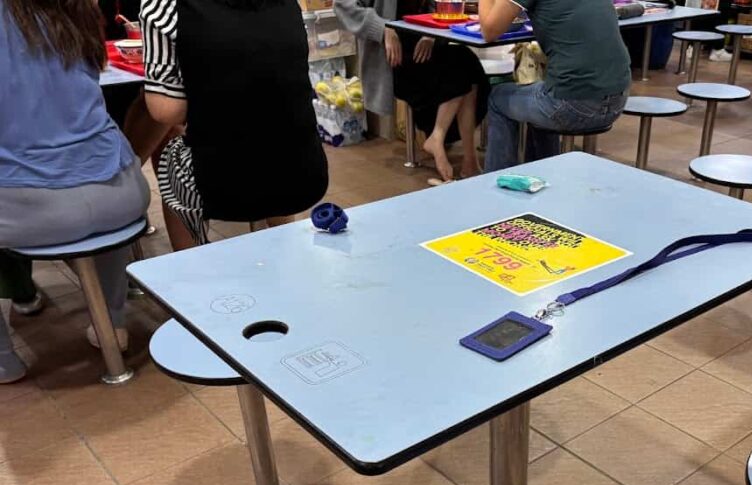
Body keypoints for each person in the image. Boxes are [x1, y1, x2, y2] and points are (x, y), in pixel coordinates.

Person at [0, 0, 150, 383]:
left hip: (31, 208)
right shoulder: (74, 9)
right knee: (99, 171)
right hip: (124, 194)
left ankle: (3, 359)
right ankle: (113, 323)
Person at [140, 0, 328, 250]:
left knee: (172, 160)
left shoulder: (163, 6)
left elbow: (165, 110)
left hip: (224, 186)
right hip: (302, 175)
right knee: (273, 128)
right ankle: (283, 244)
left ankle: (188, 263)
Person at [334, 0, 489, 182]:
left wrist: (430, 34)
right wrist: (384, 29)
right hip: (394, 58)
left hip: (424, 46)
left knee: (467, 62)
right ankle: (439, 140)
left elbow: (434, 7)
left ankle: (466, 158)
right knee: (458, 70)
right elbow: (343, 6)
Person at [479, 0, 631, 171]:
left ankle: (498, 186)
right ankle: (544, 175)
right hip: (619, 97)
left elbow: (489, 30)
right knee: (540, 91)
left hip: (574, 104)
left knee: (497, 98)